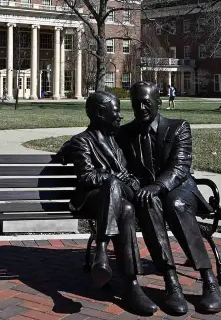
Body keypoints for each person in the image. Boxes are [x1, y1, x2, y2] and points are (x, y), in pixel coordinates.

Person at [117, 82, 221, 315]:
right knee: (148, 202)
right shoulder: (125, 133)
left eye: (146, 102)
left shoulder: (178, 128)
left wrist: (157, 186)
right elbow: (120, 164)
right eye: (136, 103)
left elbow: (180, 167)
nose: (141, 107)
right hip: (147, 193)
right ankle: (171, 281)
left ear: (159, 103)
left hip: (179, 188)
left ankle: (208, 278)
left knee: (174, 204)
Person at [57, 91, 158, 316]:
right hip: (92, 199)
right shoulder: (83, 141)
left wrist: (124, 179)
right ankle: (132, 287)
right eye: (116, 112)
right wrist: (111, 177)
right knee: (126, 207)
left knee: (121, 195)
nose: (120, 116)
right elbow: (87, 178)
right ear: (101, 114)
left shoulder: (117, 139)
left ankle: (101, 252)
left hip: (121, 195)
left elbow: (129, 174)